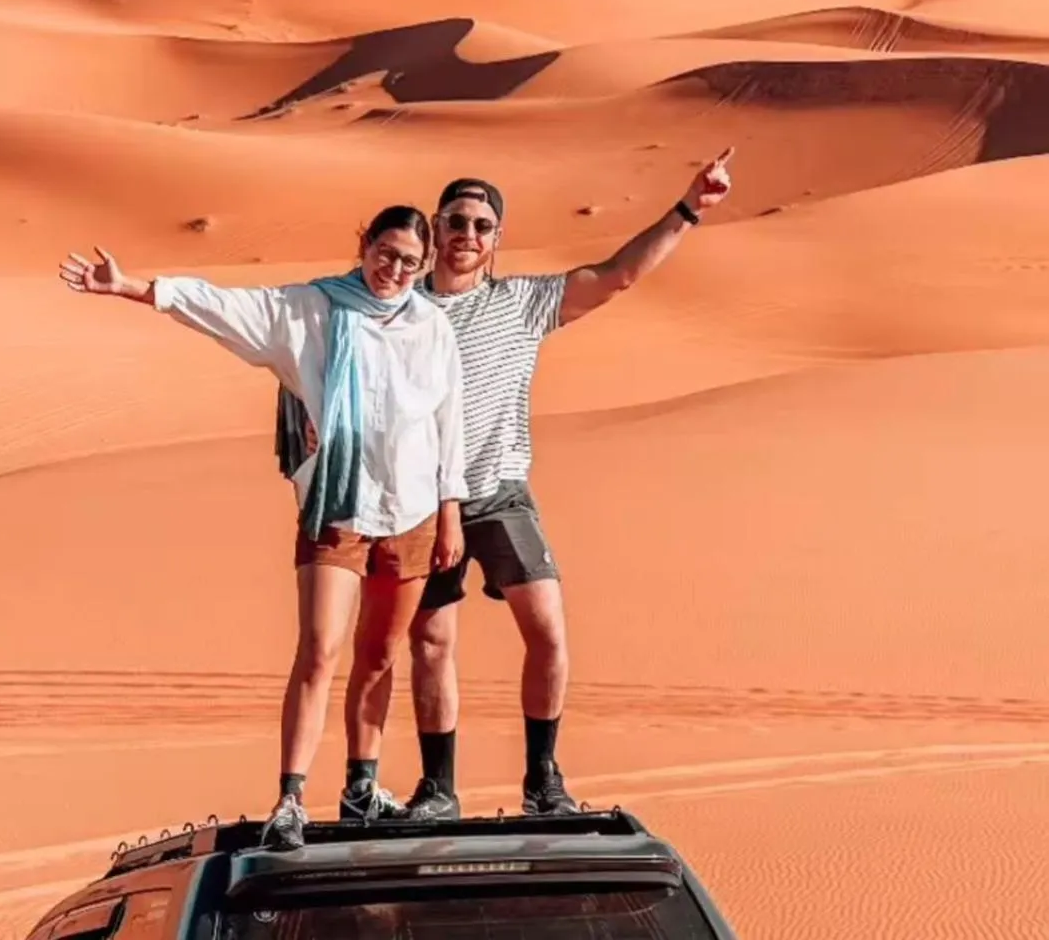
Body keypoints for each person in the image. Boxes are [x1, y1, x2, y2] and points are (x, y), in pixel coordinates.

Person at [58, 204, 468, 852]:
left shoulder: (432, 327)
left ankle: (363, 786)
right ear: (363, 245)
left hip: (414, 509)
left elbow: (449, 421)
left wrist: (451, 508)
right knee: (320, 648)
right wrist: (136, 288)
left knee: (382, 654)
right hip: (339, 506)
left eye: (408, 262)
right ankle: (291, 798)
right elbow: (225, 308)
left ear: (424, 267)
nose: (392, 270)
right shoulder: (311, 310)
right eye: (384, 253)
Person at [393, 151, 735, 821]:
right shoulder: (397, 308)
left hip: (500, 490)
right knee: (431, 641)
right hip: (417, 500)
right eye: (457, 222)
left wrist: (691, 208)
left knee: (547, 632)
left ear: (497, 239)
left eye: (482, 226)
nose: (468, 235)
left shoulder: (522, 302)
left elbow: (618, 276)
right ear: (435, 230)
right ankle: (439, 788)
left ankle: (542, 779)